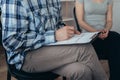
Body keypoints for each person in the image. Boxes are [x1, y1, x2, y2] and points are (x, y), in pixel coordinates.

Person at [1, 0, 108, 80]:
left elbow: (57, 24)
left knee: (82, 71)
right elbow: (11, 41)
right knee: (84, 49)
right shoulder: (14, 1)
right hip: (25, 56)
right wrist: (54, 35)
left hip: (52, 50)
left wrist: (67, 31)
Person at [75, 0, 120, 80]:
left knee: (116, 37)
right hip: (88, 36)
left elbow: (109, 20)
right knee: (113, 48)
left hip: (103, 34)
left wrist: (107, 29)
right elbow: (80, 22)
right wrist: (96, 33)